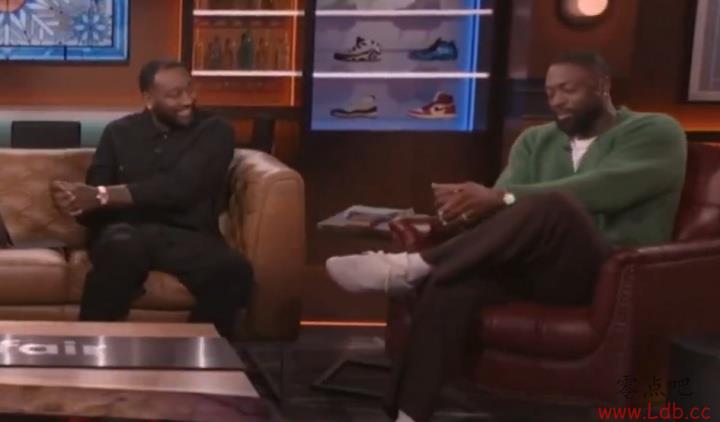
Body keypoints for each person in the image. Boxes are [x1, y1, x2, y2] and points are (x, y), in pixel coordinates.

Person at [325, 52, 687, 422]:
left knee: (555, 206)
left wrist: (502, 198)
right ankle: (407, 414)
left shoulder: (655, 131)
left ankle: (413, 266)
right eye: (550, 93)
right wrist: (466, 209)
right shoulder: (535, 141)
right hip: (535, 272)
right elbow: (503, 208)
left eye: (568, 89)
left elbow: (607, 187)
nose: (557, 101)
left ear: (602, 86)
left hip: (609, 272)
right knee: (449, 284)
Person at [50, 59, 253, 339]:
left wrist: (103, 195)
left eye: (189, 89)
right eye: (174, 95)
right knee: (120, 248)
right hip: (127, 232)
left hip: (187, 235)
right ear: (148, 99)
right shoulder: (118, 133)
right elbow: (95, 199)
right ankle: (91, 347)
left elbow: (181, 187)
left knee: (233, 270)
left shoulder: (215, 131)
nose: (187, 100)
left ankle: (196, 353)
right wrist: (74, 202)